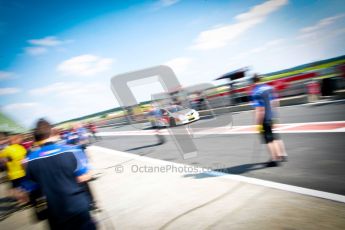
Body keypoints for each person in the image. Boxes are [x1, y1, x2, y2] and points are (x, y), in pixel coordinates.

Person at [26, 119, 96, 230]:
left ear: (36, 137)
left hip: (55, 213)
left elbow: (27, 193)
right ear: (51, 132)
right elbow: (83, 177)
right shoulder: (72, 150)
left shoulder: (29, 160)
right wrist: (90, 171)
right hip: (78, 207)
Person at [251, 74, 288, 167]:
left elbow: (260, 109)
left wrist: (258, 124)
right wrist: (276, 116)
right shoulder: (269, 87)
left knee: (269, 139)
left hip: (265, 118)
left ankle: (274, 160)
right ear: (261, 79)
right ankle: (282, 154)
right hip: (272, 116)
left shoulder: (255, 92)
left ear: (253, 81)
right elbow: (276, 102)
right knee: (275, 136)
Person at [0, 134, 28, 203]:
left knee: (16, 187)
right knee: (24, 186)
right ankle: (24, 198)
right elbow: (25, 160)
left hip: (12, 174)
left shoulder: (6, 150)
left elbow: (1, 157)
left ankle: (19, 198)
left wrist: (5, 160)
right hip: (22, 172)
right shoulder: (21, 148)